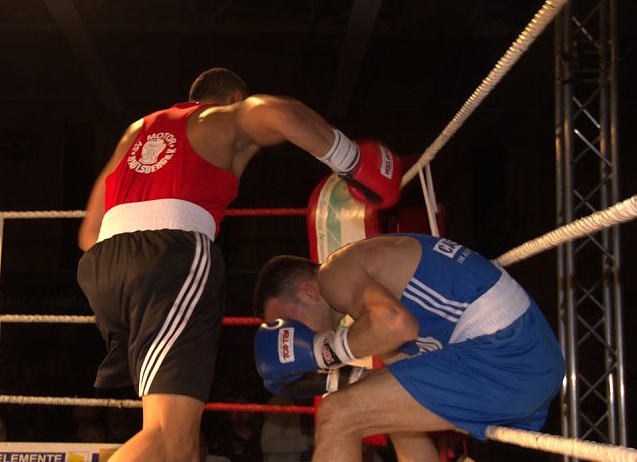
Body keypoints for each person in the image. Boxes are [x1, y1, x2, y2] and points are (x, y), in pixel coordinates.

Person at [77, 67, 401, 462]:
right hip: (169, 259)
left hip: (103, 270)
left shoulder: (136, 130)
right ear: (233, 97)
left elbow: (88, 233)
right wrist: (349, 158)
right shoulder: (217, 117)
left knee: (181, 438)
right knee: (166, 438)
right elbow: (281, 113)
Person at [252, 233, 565, 462]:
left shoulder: (334, 274)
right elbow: (399, 385)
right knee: (386, 417)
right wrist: (335, 379)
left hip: (507, 357)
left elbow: (396, 324)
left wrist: (323, 351)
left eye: (289, 325)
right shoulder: (370, 301)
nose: (293, 337)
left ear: (308, 292)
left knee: (338, 414)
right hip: (524, 358)